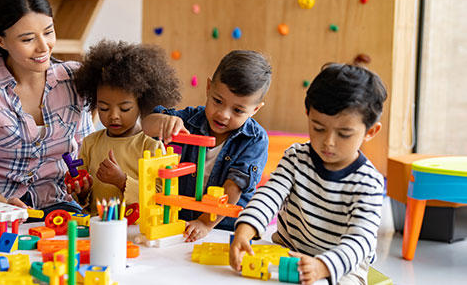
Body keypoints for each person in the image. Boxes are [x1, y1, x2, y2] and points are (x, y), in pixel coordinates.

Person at [230, 63, 387, 285]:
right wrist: (245, 229)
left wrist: (322, 266)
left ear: (370, 132)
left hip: (342, 267)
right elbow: (270, 194)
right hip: (287, 251)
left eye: (344, 134)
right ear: (308, 114)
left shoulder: (369, 183)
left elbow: (360, 241)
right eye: (318, 128)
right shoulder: (296, 157)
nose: (328, 143)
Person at [0, 0, 94, 233]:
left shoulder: (75, 77)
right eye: (28, 39)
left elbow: (87, 148)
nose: (43, 47)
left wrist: (83, 183)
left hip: (57, 202)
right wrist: (3, 206)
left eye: (48, 32)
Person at [142, 50, 272, 240]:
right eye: (218, 101)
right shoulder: (191, 119)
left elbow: (234, 188)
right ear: (209, 88)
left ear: (255, 110)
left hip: (223, 226)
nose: (223, 114)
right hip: (182, 219)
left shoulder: (255, 140)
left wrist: (205, 222)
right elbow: (146, 126)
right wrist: (163, 122)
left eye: (237, 110)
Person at [70, 40, 181, 215]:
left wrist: (122, 181)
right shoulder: (90, 143)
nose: (113, 115)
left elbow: (161, 197)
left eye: (124, 108)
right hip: (96, 226)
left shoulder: (151, 146)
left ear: (142, 104)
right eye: (104, 108)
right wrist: (82, 191)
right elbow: (83, 198)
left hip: (137, 230)